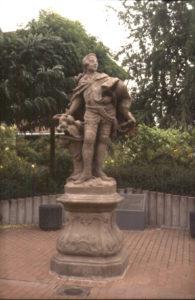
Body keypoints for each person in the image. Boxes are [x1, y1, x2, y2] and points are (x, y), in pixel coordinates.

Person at [58, 53, 135, 184]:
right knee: (89, 140)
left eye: (96, 61)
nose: (96, 63)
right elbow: (78, 99)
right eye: (93, 61)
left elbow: (117, 90)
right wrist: (69, 113)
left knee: (103, 140)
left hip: (107, 112)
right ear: (86, 64)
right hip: (91, 112)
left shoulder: (104, 77)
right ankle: (86, 172)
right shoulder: (83, 81)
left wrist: (110, 98)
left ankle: (98, 171)